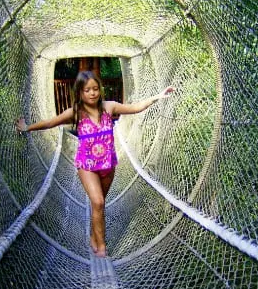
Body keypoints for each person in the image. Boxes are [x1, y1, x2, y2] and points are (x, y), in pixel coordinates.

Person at [15, 71, 175, 258]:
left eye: (95, 89)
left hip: (108, 166)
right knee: (97, 201)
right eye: (87, 90)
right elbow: (50, 122)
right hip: (87, 166)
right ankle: (101, 247)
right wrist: (27, 127)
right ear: (80, 93)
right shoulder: (76, 112)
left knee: (99, 205)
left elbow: (135, 108)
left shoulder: (110, 107)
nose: (92, 93)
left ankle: (94, 234)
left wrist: (158, 96)